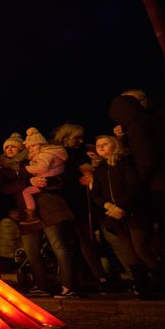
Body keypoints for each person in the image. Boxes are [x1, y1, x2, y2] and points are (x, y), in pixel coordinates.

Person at [108, 93, 165, 291]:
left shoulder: (139, 125)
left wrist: (143, 178)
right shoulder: (164, 119)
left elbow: (146, 159)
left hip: (163, 185)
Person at [89, 134, 165, 299]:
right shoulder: (100, 169)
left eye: (105, 143)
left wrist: (122, 207)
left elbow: (134, 186)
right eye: (98, 145)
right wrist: (109, 206)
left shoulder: (126, 163)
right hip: (114, 215)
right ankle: (144, 289)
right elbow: (96, 193)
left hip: (134, 213)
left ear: (115, 145)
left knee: (141, 249)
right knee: (130, 252)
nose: (100, 147)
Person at [52, 122, 118, 291]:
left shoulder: (80, 152)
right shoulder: (58, 154)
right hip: (66, 202)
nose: (80, 141)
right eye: (76, 138)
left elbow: (86, 169)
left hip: (82, 201)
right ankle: (85, 277)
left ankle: (99, 276)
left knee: (86, 240)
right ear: (66, 138)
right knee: (75, 241)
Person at [19, 127, 67, 226]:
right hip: (53, 176)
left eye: (33, 145)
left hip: (46, 178)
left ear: (41, 143)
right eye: (29, 147)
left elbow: (41, 167)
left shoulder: (45, 154)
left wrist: (27, 169)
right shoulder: (52, 152)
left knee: (26, 192)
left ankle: (31, 214)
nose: (31, 149)